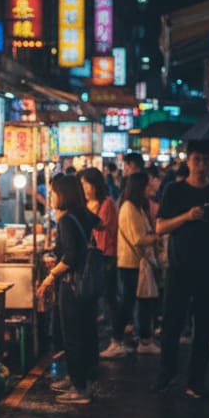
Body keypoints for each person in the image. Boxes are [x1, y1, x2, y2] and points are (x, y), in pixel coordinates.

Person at [152, 140, 209, 397]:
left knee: (204, 328)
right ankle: (166, 373)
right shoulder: (174, 190)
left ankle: (196, 380)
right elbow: (160, 227)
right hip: (179, 266)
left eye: (207, 160)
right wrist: (187, 216)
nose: (202, 165)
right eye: (197, 160)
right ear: (188, 161)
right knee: (172, 324)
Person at [36, 173, 99, 404]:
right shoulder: (83, 214)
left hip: (72, 285)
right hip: (86, 284)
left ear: (62, 195)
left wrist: (50, 277)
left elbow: (71, 256)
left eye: (53, 193)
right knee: (86, 332)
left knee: (72, 335)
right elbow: (96, 226)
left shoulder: (66, 220)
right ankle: (83, 380)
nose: (51, 197)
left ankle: (79, 388)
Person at [103, 171, 159, 357]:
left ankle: (144, 340)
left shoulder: (137, 207)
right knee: (128, 304)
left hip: (139, 262)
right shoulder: (128, 208)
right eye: (147, 185)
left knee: (143, 302)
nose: (151, 188)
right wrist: (158, 236)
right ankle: (116, 341)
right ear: (139, 187)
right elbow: (138, 239)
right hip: (130, 263)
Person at [80, 167, 118, 327]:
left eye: (86, 184)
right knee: (92, 291)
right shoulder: (85, 204)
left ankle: (114, 329)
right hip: (90, 254)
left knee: (108, 292)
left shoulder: (107, 203)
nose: (84, 188)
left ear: (95, 184)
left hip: (106, 253)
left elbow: (102, 226)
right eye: (82, 184)